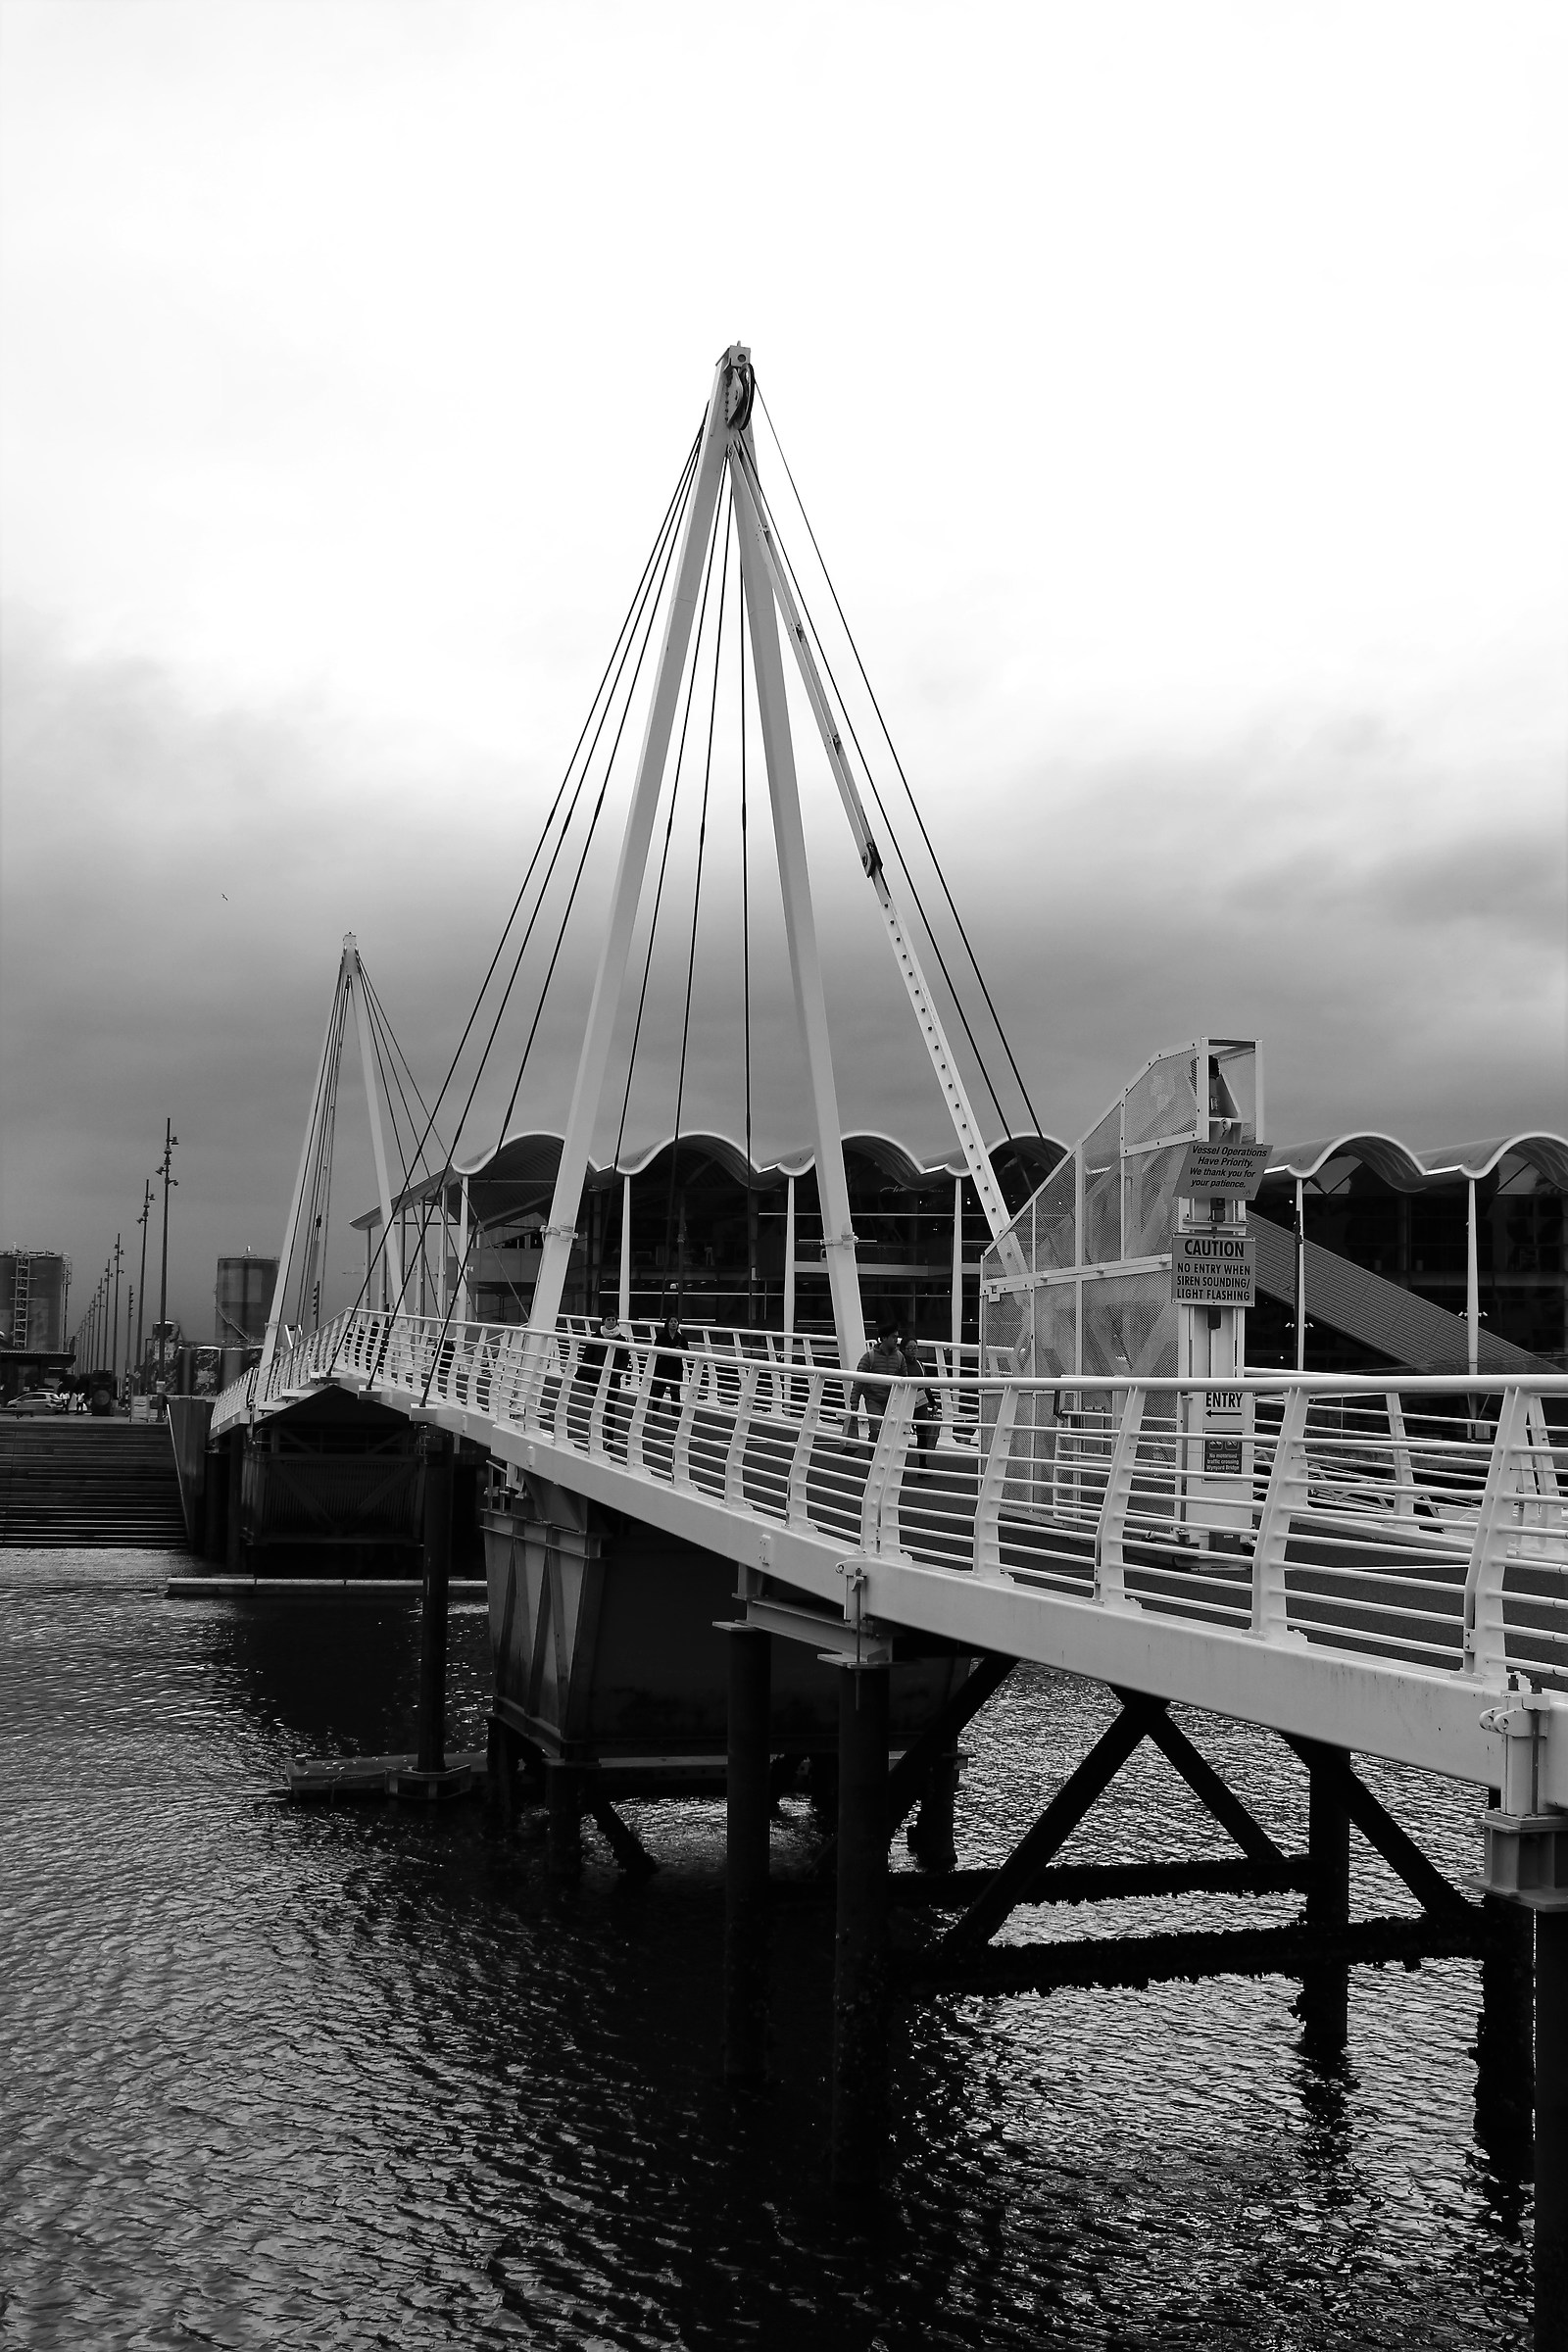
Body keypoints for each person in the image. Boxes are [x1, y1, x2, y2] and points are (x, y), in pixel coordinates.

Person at [846, 1319, 909, 1445]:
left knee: (890, 1432)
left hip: (892, 1400)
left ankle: (884, 1461)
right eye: (893, 1337)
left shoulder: (899, 1357)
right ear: (884, 1338)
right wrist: (854, 1400)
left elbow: (905, 1379)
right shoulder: (869, 1357)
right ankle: (873, 1460)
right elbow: (859, 1379)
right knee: (876, 1430)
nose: (896, 1340)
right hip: (873, 1399)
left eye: (897, 1337)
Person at [896, 1325, 941, 1454]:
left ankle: (923, 1464)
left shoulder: (920, 1365)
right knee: (902, 1430)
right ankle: (899, 1462)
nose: (913, 1351)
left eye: (915, 1348)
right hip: (905, 1401)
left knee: (922, 1432)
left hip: (920, 1400)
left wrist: (933, 1403)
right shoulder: (900, 1364)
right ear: (903, 1349)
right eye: (910, 1348)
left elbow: (925, 1385)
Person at [649, 1298, 687, 1416]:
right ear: (667, 1323)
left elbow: (688, 1351)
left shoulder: (681, 1338)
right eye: (671, 1321)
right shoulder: (661, 1336)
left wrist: (682, 1351)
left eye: (675, 1322)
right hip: (662, 1367)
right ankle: (655, 1413)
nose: (674, 1323)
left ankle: (676, 1414)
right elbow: (655, 1350)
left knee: (675, 1392)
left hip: (675, 1368)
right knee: (659, 1391)